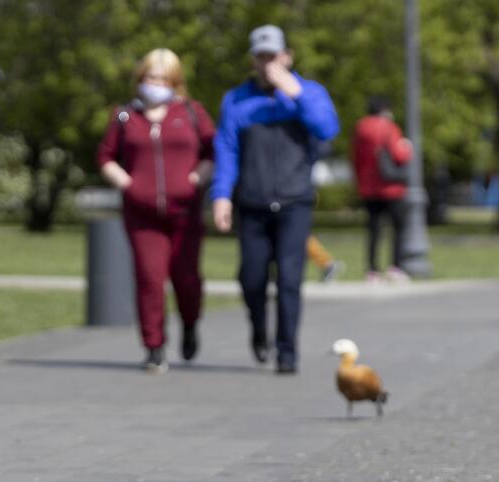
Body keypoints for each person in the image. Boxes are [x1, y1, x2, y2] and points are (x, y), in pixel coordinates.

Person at [211, 25, 339, 374]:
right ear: (253, 60)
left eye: (273, 55)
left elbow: (327, 129)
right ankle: (258, 329)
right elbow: (226, 150)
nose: (267, 63)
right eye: (261, 57)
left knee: (289, 280)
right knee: (251, 279)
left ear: (286, 56)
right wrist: (222, 196)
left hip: (294, 202)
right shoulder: (237, 100)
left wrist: (294, 92)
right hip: (252, 204)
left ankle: (287, 352)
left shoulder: (308, 93)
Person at [97, 48, 215, 374]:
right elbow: (106, 157)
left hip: (185, 211)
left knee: (186, 279)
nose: (156, 83)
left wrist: (197, 178)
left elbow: (212, 149)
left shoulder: (191, 112)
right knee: (150, 278)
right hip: (142, 214)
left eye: (164, 78)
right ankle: (154, 346)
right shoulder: (124, 117)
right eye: (151, 77)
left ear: (175, 82)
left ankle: (190, 323)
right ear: (140, 79)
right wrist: (127, 183)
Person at [352, 96, 413, 282]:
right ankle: (395, 267)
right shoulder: (389, 127)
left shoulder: (360, 128)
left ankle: (372, 270)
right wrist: (408, 148)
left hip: (369, 187)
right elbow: (399, 154)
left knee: (373, 230)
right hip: (391, 187)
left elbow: (355, 158)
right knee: (398, 228)